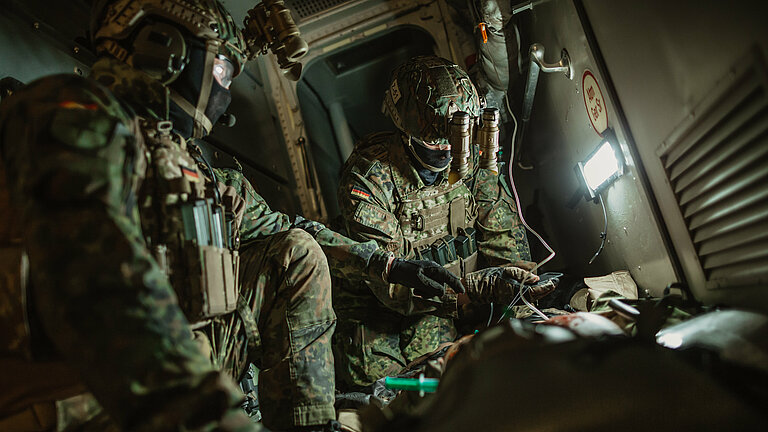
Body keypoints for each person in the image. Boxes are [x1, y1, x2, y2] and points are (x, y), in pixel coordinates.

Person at [0, 3, 462, 431]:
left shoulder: (196, 172)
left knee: (295, 254)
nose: (223, 92)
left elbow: (293, 232)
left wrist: (387, 265)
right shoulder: (71, 116)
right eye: (220, 69)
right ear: (165, 51)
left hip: (182, 384)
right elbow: (108, 294)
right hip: (90, 402)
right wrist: (210, 411)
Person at [333, 55, 557, 391]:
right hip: (384, 314)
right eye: (436, 142)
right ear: (407, 133)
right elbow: (394, 288)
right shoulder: (369, 179)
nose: (449, 152)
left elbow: (505, 243)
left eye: (454, 141)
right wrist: (478, 288)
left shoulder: (475, 157)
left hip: (455, 303)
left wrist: (517, 295)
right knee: (402, 394)